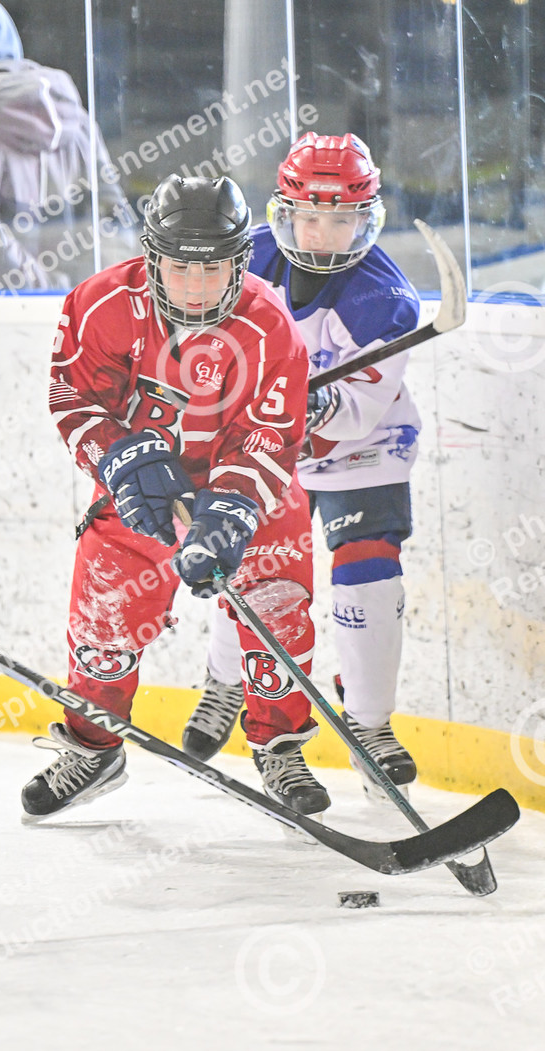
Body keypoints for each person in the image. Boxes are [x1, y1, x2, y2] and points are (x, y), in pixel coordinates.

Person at [27, 173, 328, 819]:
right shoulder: (101, 305)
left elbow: (272, 434)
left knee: (278, 609)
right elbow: (73, 397)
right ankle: (93, 748)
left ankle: (279, 746)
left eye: (212, 269)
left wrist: (231, 507)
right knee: (104, 623)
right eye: (180, 267)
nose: (195, 286)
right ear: (152, 257)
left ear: (239, 262)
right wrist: (121, 458)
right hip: (141, 487)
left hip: (247, 485)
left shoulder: (270, 323)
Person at [180, 133, 422, 798]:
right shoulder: (242, 260)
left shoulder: (385, 300)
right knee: (249, 568)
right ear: (284, 212)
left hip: (361, 451)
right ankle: (227, 681)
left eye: (341, 220)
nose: (322, 235)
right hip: (268, 448)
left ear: (366, 220)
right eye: (310, 217)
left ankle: (370, 723)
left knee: (369, 577)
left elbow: (358, 411)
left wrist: (314, 403)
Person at [0, 0, 133, 290]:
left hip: (4, 308)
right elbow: (115, 224)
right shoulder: (75, 117)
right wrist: (82, 293)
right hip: (85, 306)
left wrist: (42, 291)